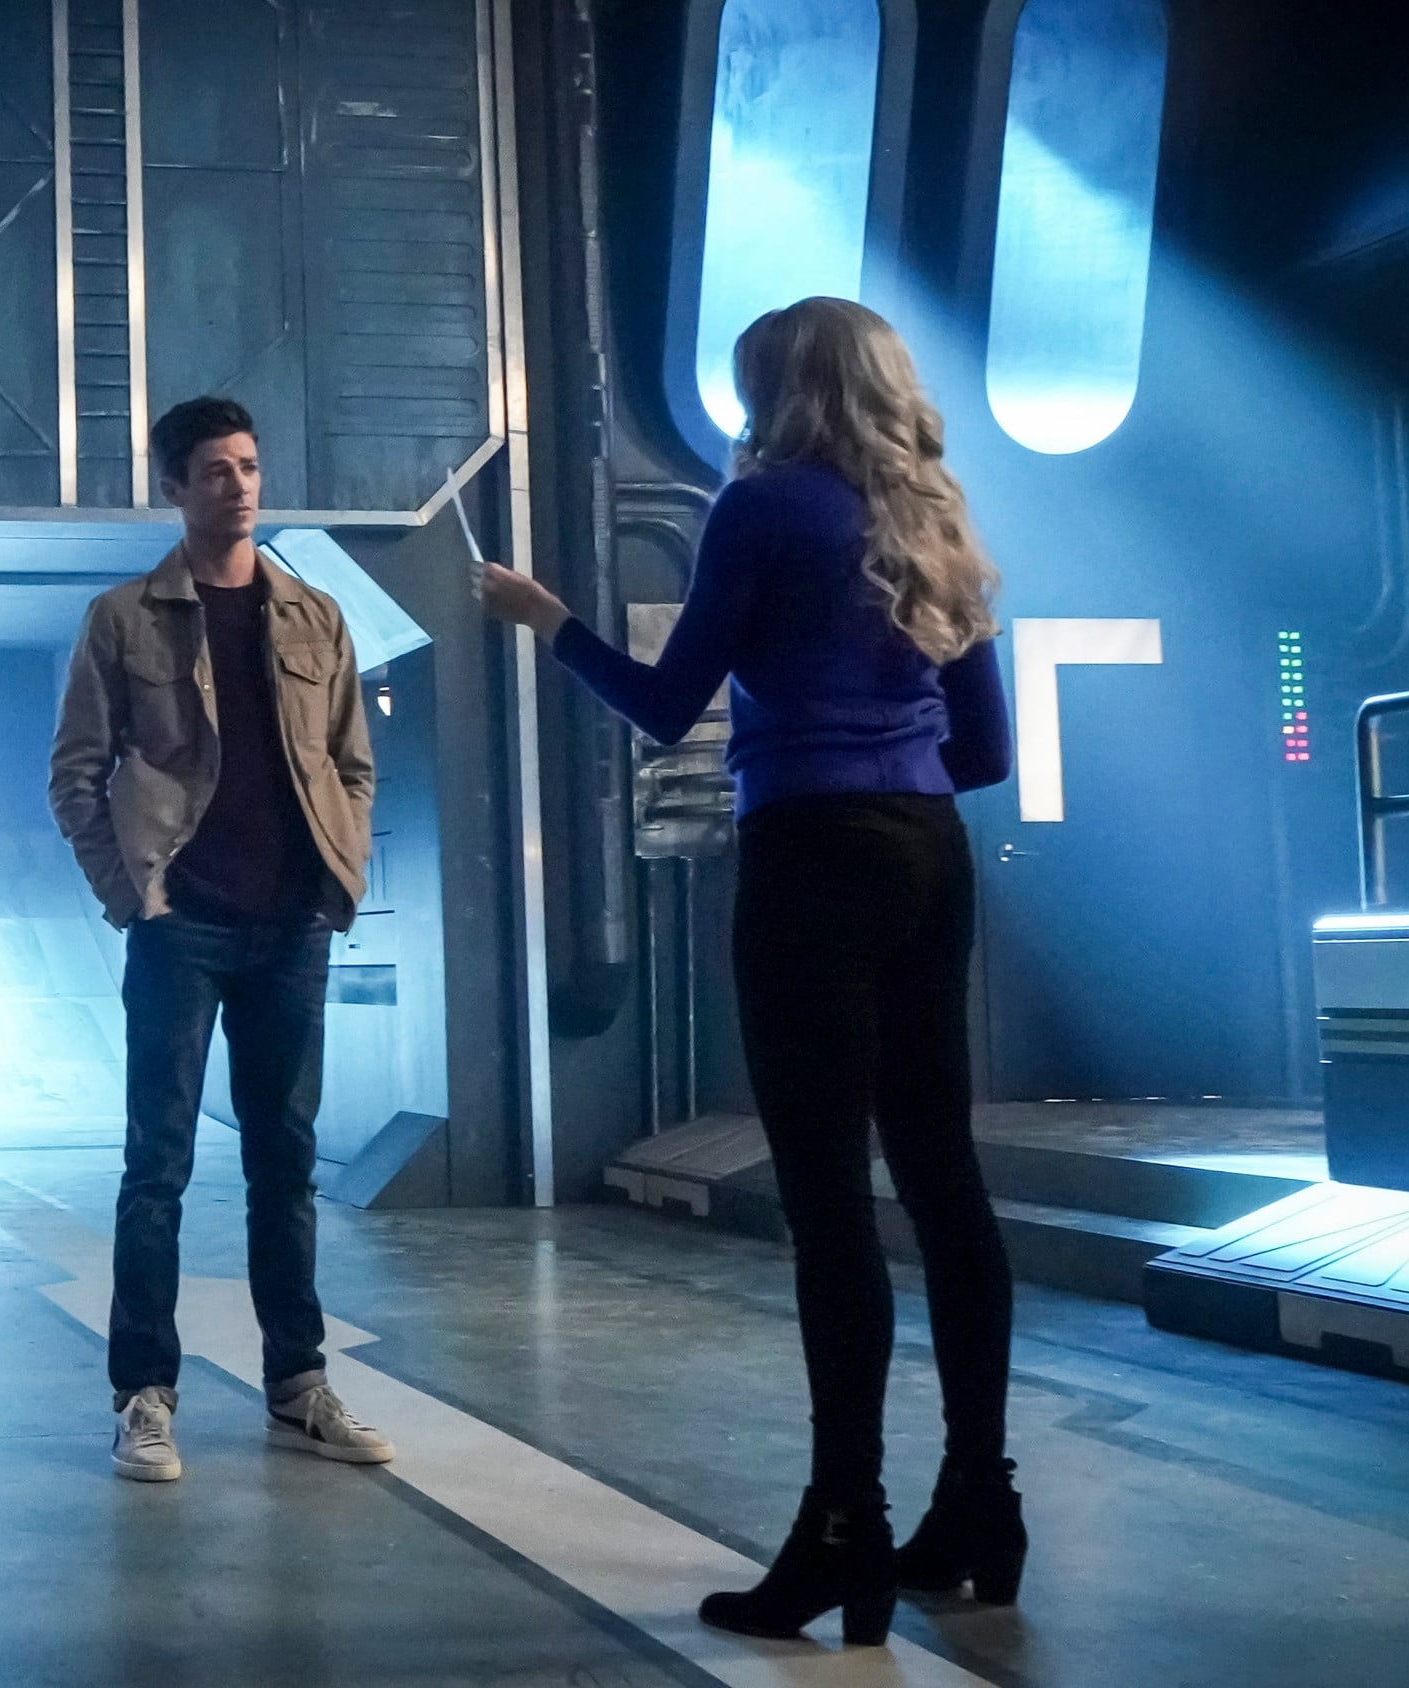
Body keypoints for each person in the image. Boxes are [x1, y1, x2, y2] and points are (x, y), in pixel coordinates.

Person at [478, 298, 1021, 1643]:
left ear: (779, 391)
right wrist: (886, 760)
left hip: (811, 859)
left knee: (830, 1201)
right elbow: (985, 750)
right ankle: (980, 1500)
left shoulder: (763, 509)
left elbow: (668, 707)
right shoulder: (933, 516)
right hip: (930, 852)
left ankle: (844, 1525)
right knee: (945, 1180)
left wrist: (550, 620)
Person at [49, 396, 397, 1483]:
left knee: (284, 1160)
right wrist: (129, 897)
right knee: (156, 1163)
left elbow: (351, 763)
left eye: (248, 466)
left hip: (291, 926)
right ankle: (144, 1396)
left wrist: (338, 869)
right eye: (214, 470)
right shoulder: (124, 618)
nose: (238, 485)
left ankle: (299, 1383)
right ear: (175, 487)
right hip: (181, 925)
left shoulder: (315, 616)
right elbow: (75, 776)